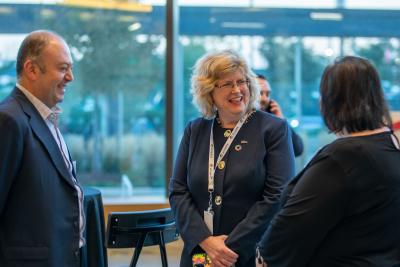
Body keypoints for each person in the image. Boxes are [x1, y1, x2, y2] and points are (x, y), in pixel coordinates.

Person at [256, 56, 400, 267]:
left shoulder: (342, 157)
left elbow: (288, 232)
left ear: (333, 101)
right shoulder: (389, 145)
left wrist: (263, 258)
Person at [169, 50, 295, 267]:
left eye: (241, 81)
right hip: (202, 254)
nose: (237, 90)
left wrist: (227, 250)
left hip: (251, 253)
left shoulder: (273, 129)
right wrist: (206, 241)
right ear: (209, 91)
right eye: (226, 84)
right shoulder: (196, 130)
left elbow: (277, 195)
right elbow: (178, 190)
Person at [0, 30, 85, 267]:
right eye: (63, 68)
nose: (70, 77)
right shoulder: (8, 120)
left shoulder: (46, 118)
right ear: (32, 70)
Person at [257, 74, 304, 157]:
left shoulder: (272, 120)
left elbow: (297, 149)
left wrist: (281, 121)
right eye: (260, 93)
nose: (265, 99)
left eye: (267, 94)